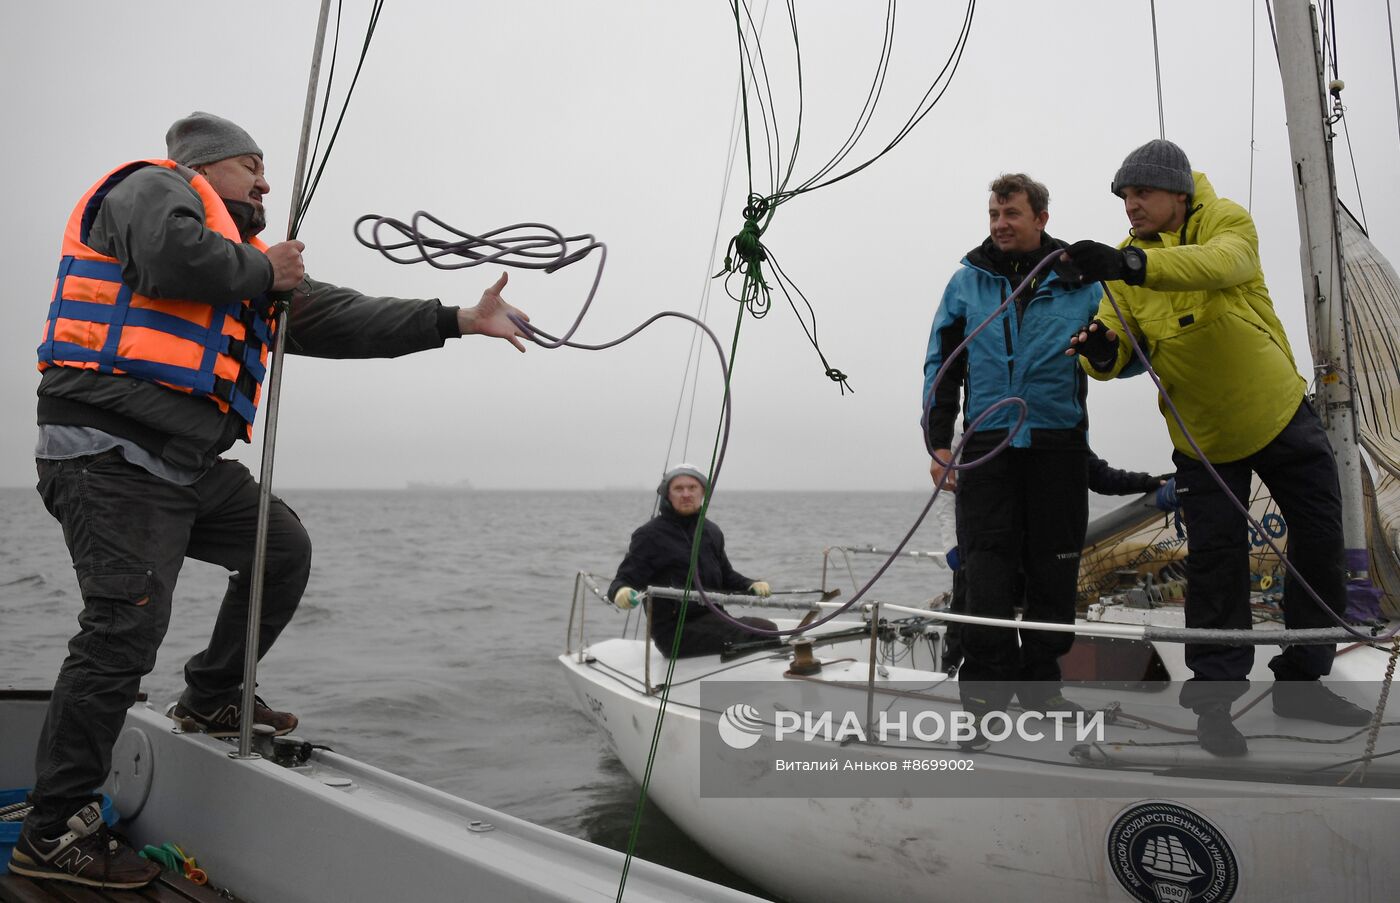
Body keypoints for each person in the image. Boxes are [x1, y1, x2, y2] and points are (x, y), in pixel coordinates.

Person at [11, 112, 531, 890]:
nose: (264, 183)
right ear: (204, 165)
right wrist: (263, 274)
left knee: (278, 546)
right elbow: (164, 256)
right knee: (125, 625)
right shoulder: (152, 189)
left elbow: (343, 316)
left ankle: (213, 695)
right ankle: (52, 830)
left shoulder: (249, 264)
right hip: (108, 453)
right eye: (249, 166)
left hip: (184, 463)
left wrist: (456, 320)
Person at [1063, 138, 1371, 757]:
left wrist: (1130, 267)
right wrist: (1101, 350)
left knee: (1317, 540)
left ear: (1178, 192)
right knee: (1215, 563)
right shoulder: (1122, 270)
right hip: (1202, 436)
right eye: (1124, 196)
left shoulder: (1225, 220)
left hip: (1280, 412)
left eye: (1141, 193)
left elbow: (1222, 264)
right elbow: (1120, 348)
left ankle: (1302, 685)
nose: (1131, 206)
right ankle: (1213, 702)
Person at [921, 173, 1104, 745]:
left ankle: (1042, 685)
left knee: (1055, 567)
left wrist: (1106, 348)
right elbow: (942, 363)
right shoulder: (966, 282)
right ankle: (983, 696)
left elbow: (1123, 350)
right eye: (994, 214)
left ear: (1041, 218)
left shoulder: (1084, 281)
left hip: (1058, 442)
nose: (1000, 224)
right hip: (988, 445)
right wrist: (938, 442)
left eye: (1012, 214)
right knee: (986, 571)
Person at [941, 455, 1171, 673]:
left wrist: (1147, 482)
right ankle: (953, 672)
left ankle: (1036, 687)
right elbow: (948, 489)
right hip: (984, 548)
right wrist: (951, 542)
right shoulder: (971, 428)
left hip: (1039, 550)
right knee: (976, 622)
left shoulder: (1059, 430)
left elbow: (1097, 472)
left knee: (1043, 626)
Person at [608, 464, 777, 658]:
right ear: (667, 495)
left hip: (715, 618)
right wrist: (620, 592)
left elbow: (726, 576)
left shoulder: (711, 531)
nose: (686, 494)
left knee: (768, 628)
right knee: (761, 632)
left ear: (702, 492)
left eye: (692, 488)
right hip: (674, 633)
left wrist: (751, 584)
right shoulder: (649, 535)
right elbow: (621, 581)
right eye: (678, 489)